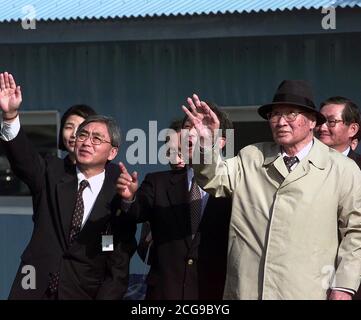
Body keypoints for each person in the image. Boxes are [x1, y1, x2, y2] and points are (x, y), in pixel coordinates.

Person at [182, 80, 361, 300]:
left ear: (312, 121)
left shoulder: (342, 169)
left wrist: (344, 285)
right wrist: (206, 143)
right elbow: (213, 179)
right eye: (275, 115)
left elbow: (356, 232)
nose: (281, 122)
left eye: (291, 114)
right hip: (247, 291)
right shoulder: (252, 157)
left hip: (309, 292)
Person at [0, 72, 136, 299]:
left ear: (112, 152)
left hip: (82, 291)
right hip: (33, 284)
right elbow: (24, 160)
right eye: (82, 135)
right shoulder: (52, 171)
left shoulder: (118, 191)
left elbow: (117, 264)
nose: (85, 142)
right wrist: (11, 116)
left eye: (96, 139)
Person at [117, 103, 233, 300]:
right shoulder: (159, 182)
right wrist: (129, 198)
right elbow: (137, 212)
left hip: (214, 292)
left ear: (221, 142)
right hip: (165, 292)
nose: (191, 134)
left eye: (200, 128)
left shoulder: (237, 184)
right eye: (188, 128)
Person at [137, 119, 185, 265]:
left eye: (182, 151)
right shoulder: (156, 186)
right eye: (171, 152)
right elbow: (144, 253)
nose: (176, 159)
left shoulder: (215, 189)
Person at [316, 96, 361, 168]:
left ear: (353, 129)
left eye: (331, 121)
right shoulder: (303, 160)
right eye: (320, 120)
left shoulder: (358, 168)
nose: (322, 128)